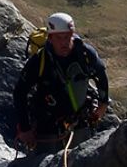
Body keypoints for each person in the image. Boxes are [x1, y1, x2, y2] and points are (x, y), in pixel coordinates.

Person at [13, 12, 109, 153]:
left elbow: (101, 75)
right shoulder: (40, 60)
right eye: (59, 38)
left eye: (68, 36)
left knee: (78, 164)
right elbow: (20, 92)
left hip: (79, 120)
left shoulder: (85, 54)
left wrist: (103, 104)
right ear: (50, 38)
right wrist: (25, 128)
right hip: (47, 123)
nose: (64, 42)